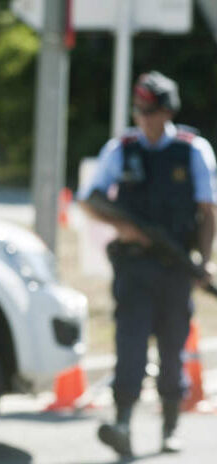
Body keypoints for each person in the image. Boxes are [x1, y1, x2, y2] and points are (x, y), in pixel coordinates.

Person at [79, 71, 216, 457]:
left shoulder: (192, 150)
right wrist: (124, 227)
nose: (144, 119)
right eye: (139, 112)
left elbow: (208, 211)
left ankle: (171, 427)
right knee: (130, 345)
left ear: (167, 111)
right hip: (134, 267)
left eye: (150, 112)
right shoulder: (121, 148)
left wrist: (203, 262)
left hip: (175, 268)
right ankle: (122, 423)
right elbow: (90, 199)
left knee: (173, 349)